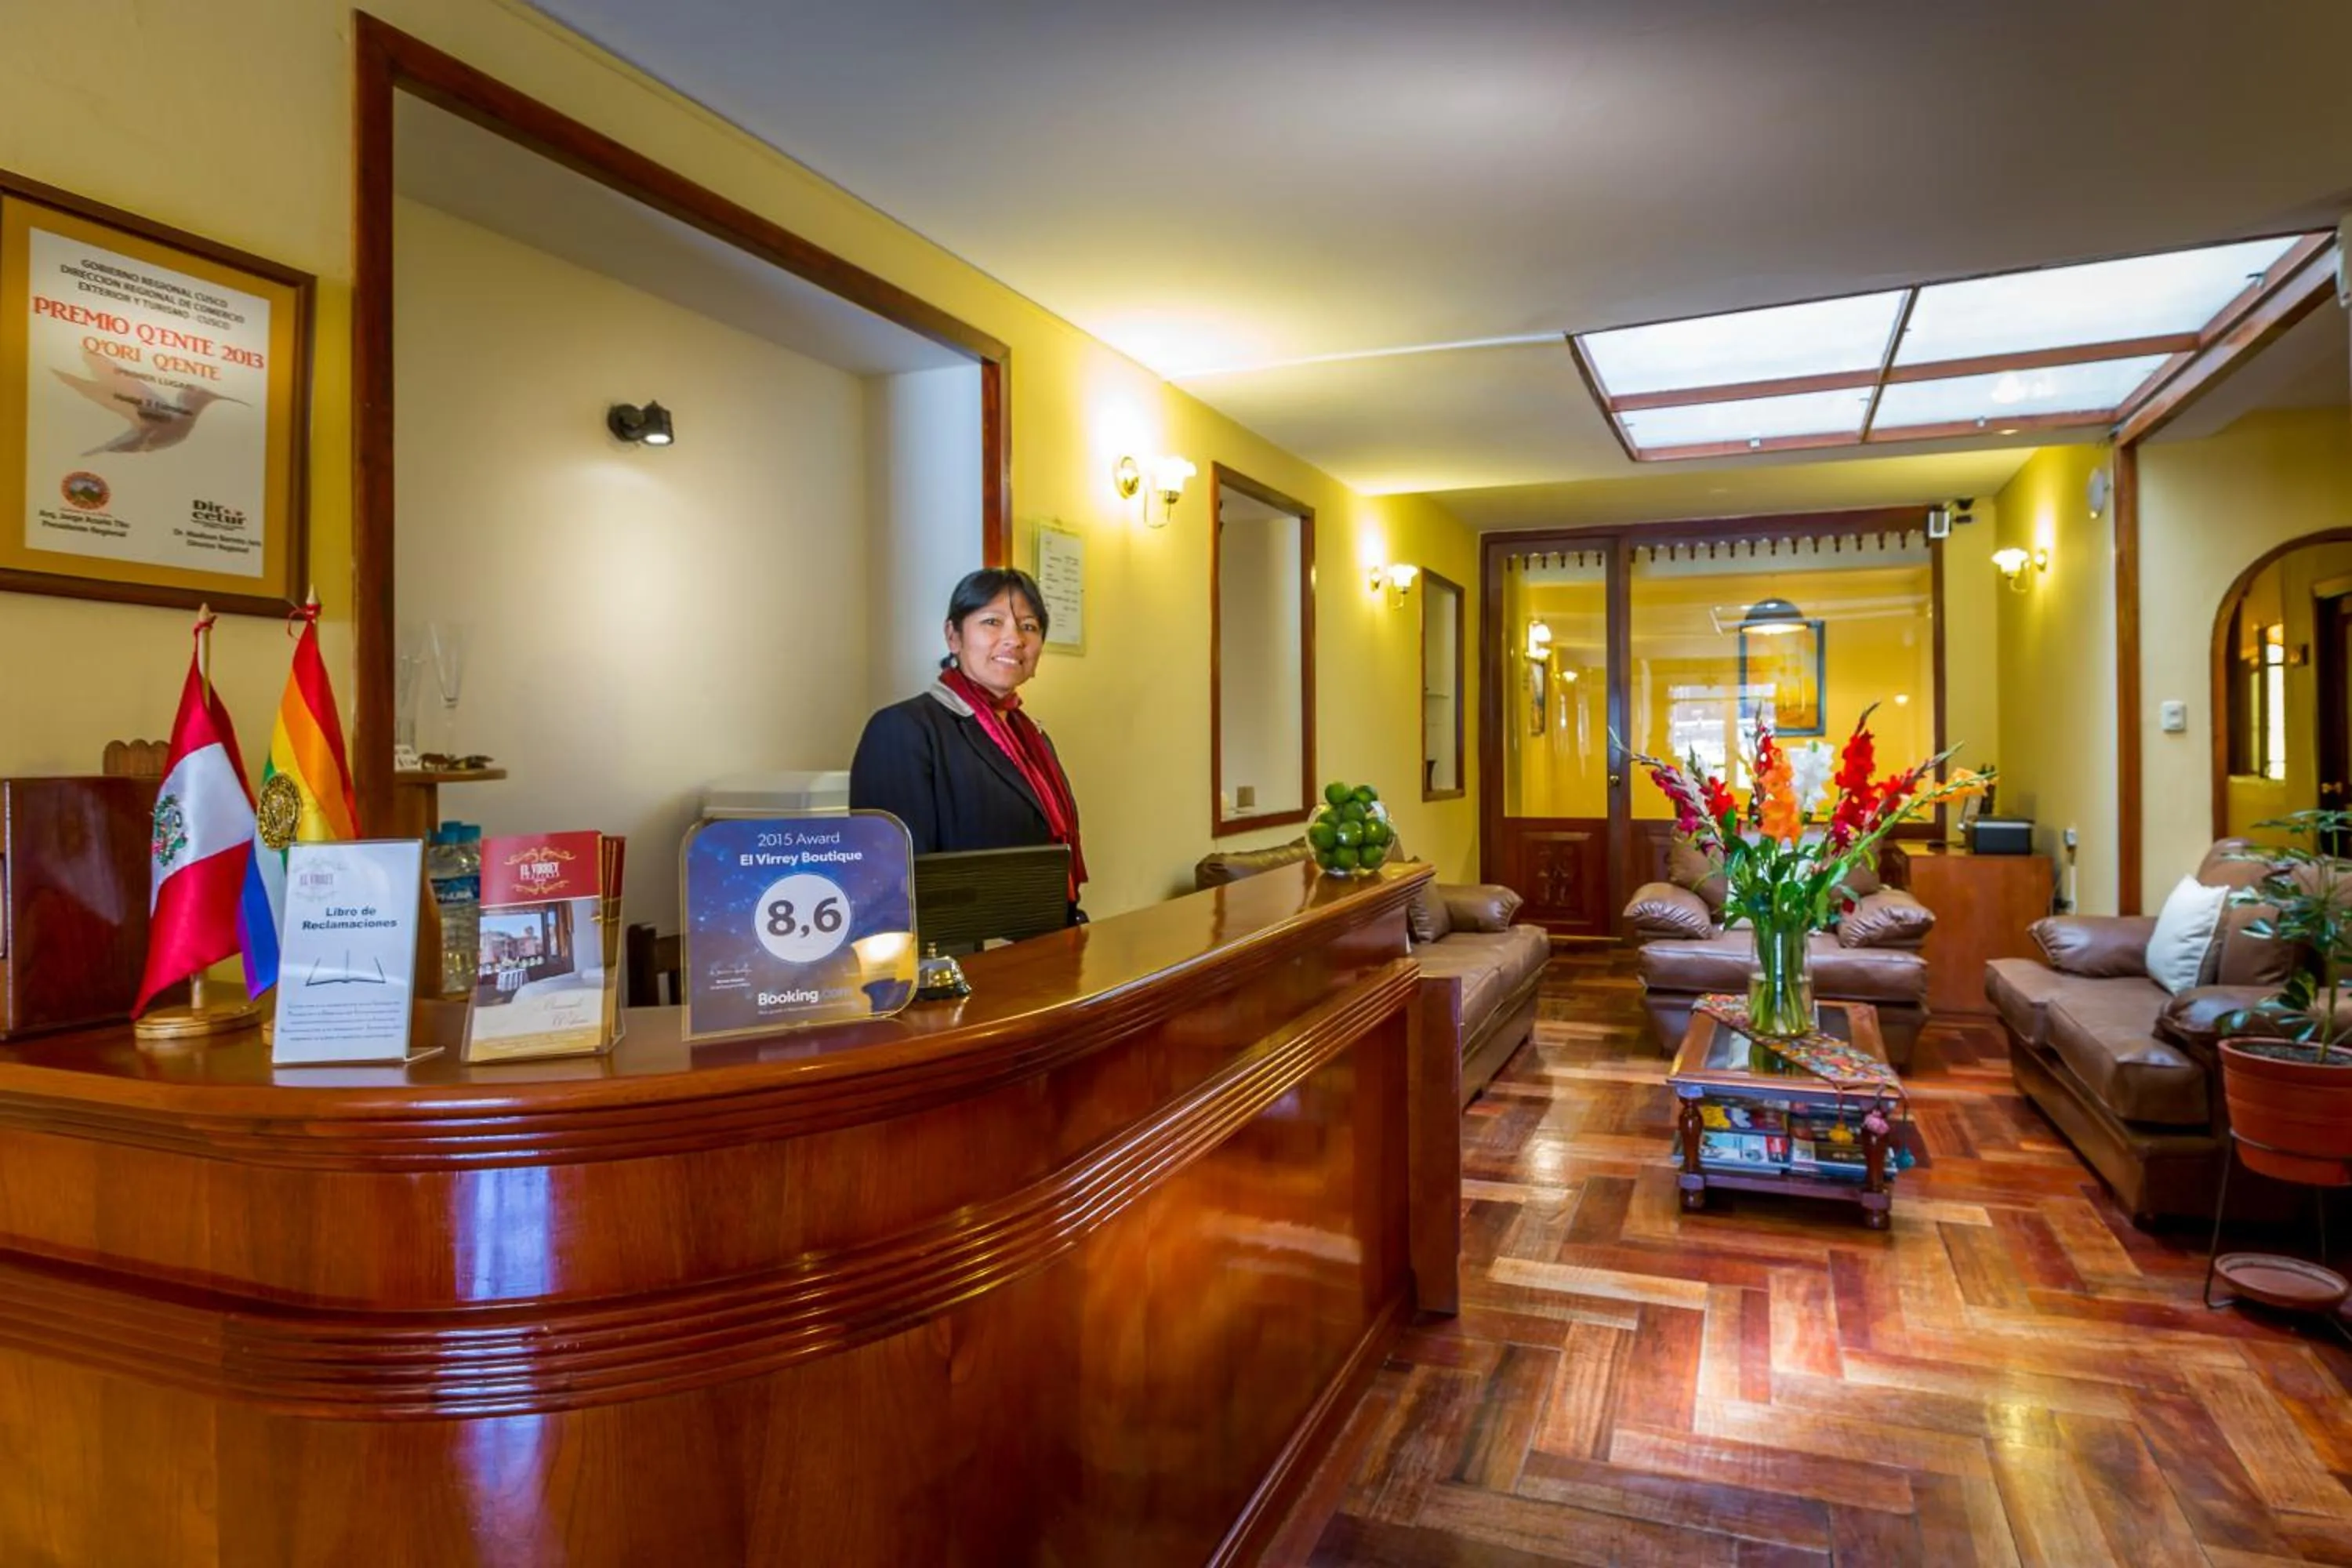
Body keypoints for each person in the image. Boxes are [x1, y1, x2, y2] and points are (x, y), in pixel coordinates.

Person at [850, 567, 1087, 921]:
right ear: (953, 636)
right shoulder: (903, 728)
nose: (1015, 639)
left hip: (1043, 940)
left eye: (1029, 626)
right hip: (964, 959)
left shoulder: (1031, 736)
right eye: (993, 622)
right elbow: (896, 885)